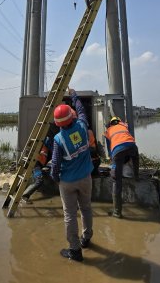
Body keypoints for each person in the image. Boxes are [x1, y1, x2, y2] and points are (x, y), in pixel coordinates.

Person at [50, 88, 95, 262]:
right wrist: (74, 95)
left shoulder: (58, 140)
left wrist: (56, 179)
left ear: (57, 123)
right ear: (72, 117)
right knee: (86, 208)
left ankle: (75, 251)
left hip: (67, 182)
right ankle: (87, 238)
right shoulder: (83, 126)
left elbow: (55, 164)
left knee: (70, 215)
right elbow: (82, 110)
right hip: (86, 178)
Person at [104, 116, 139, 218]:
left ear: (111, 123)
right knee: (135, 158)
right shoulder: (124, 126)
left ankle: (117, 212)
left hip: (118, 150)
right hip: (132, 146)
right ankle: (136, 176)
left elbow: (110, 151)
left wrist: (114, 163)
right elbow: (127, 140)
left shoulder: (108, 130)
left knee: (116, 181)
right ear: (119, 122)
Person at [22, 124, 56, 201]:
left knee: (40, 177)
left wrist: (48, 165)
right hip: (36, 164)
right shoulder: (43, 142)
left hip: (40, 163)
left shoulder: (49, 141)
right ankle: (25, 196)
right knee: (39, 180)